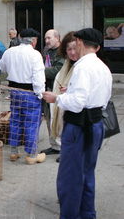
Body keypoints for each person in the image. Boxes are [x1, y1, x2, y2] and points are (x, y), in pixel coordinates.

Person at [43, 28, 112, 219]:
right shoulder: (103, 67)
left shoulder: (82, 67)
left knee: (70, 178)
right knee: (87, 174)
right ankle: (87, 214)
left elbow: (78, 102)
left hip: (79, 127)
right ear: (97, 47)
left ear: (80, 42)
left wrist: (56, 98)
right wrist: (70, 93)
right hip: (96, 124)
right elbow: (103, 99)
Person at [0, 28, 46, 165]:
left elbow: (1, 67)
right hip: (30, 92)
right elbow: (38, 77)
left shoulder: (9, 52)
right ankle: (31, 154)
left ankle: (14, 151)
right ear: (33, 41)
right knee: (31, 122)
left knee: (15, 119)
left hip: (14, 90)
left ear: (20, 38)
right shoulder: (35, 54)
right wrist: (40, 93)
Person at [48, 32, 78, 163]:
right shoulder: (68, 63)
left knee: (68, 127)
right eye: (68, 49)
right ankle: (58, 148)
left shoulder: (82, 65)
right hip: (58, 98)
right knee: (57, 123)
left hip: (73, 105)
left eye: (74, 48)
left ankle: (67, 151)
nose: (72, 52)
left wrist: (70, 89)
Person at [40, 29, 65, 156]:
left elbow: (57, 70)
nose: (47, 41)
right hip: (48, 89)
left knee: (59, 120)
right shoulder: (47, 51)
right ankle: (54, 146)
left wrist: (39, 71)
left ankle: (62, 148)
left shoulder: (63, 52)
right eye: (45, 38)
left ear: (57, 38)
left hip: (58, 91)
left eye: (49, 38)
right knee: (49, 119)